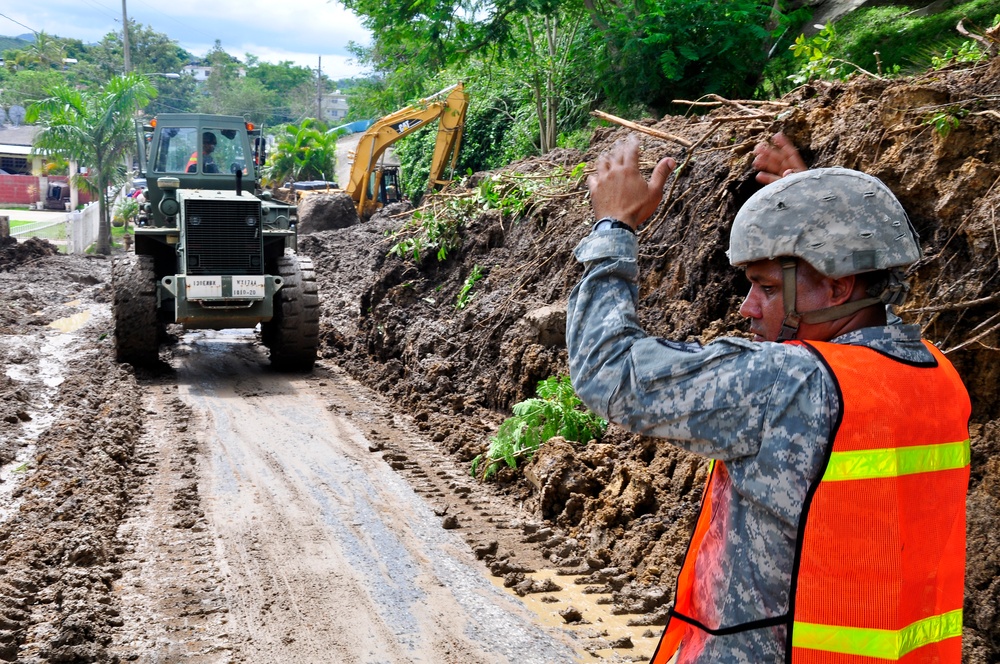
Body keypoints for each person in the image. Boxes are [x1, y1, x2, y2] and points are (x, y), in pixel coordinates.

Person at [567, 134, 970, 663]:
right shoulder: (936, 377)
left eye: (768, 288)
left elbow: (607, 370)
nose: (748, 309)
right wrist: (810, 212)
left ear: (839, 285)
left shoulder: (791, 381)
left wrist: (614, 228)